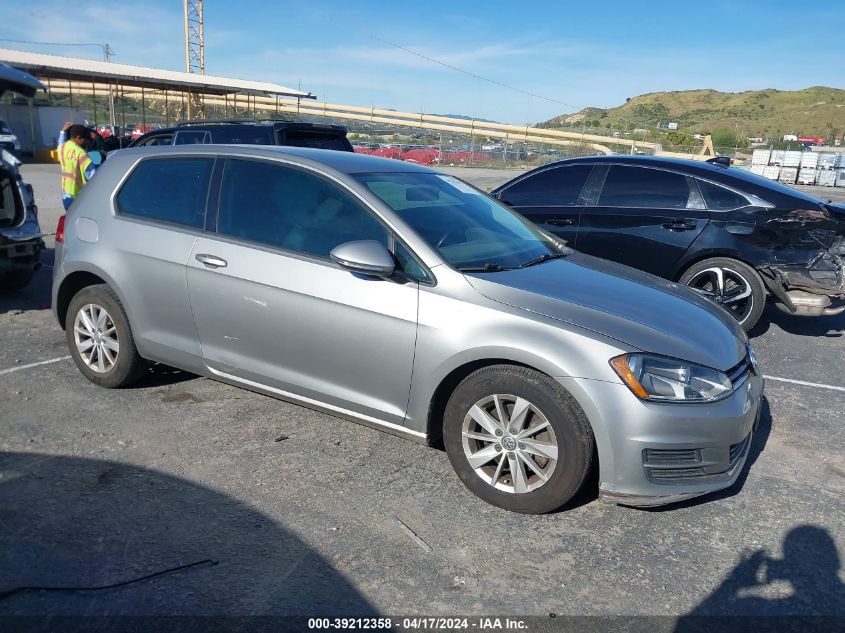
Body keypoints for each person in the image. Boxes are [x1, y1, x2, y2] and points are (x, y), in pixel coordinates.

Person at [56, 122, 98, 210]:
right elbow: (93, 178)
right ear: (78, 138)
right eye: (86, 139)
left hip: (66, 196)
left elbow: (60, 143)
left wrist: (63, 132)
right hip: (79, 198)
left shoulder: (63, 148)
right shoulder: (81, 153)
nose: (87, 142)